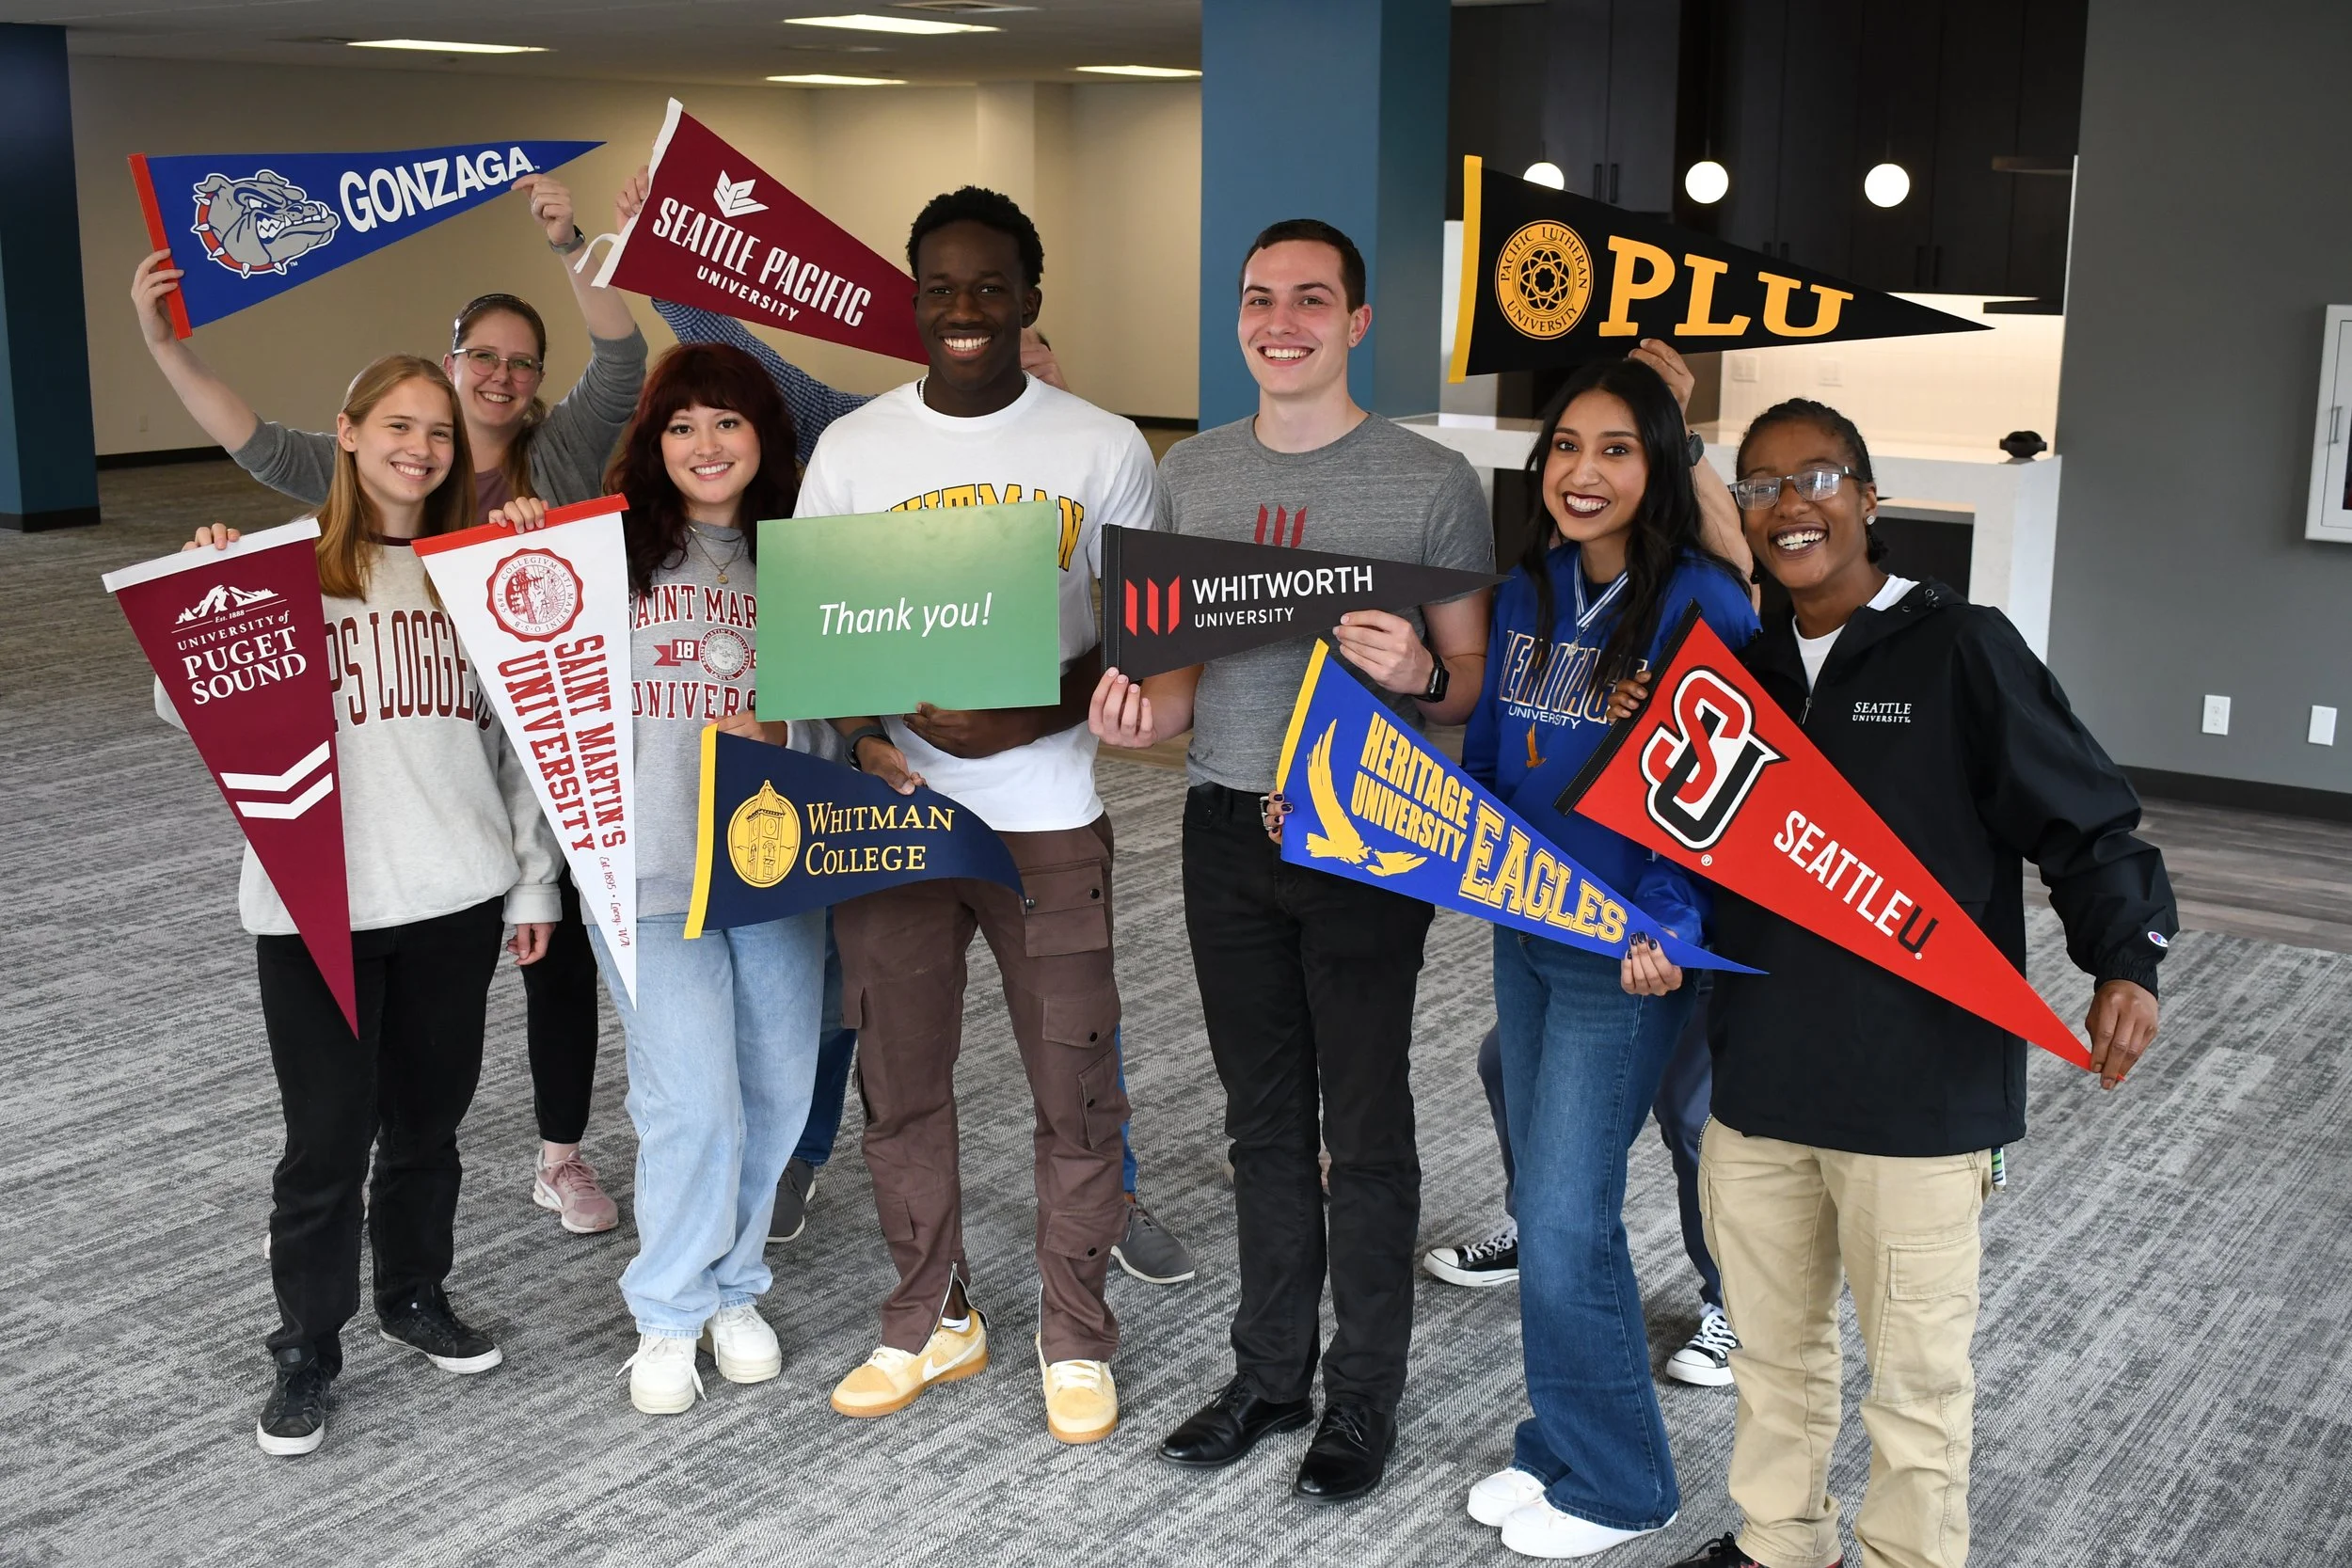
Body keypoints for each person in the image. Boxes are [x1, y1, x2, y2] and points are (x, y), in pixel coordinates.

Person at [1662, 399, 2172, 1568]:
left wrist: (2125, 956)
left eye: (1818, 476)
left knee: (1915, 1375)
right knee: (1773, 1353)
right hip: (1761, 1077)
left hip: (1919, 1089)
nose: (1791, 504)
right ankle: (1782, 1539)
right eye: (1761, 485)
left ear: (1870, 498)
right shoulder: (1736, 672)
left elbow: (2088, 822)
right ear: (1739, 513)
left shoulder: (1961, 645)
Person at [642, 287, 1196, 1286]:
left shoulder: (1087, 453)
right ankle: (806, 1165)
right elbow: (762, 378)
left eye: (1035, 359)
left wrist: (1071, 706)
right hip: (871, 802)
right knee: (852, 1007)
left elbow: (1144, 623)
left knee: (1072, 1025)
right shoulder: (872, 435)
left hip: (1042, 804)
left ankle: (1111, 1193)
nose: (1008, 375)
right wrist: (671, 276)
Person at [131, 172, 647, 1236]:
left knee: (560, 954)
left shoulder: (554, 452)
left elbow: (626, 360)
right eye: (481, 356)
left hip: (545, 729)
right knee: (394, 1054)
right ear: (450, 365)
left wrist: (570, 245)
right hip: (430, 749)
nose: (500, 374)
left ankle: (562, 1153)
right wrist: (168, 348)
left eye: (521, 361)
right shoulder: (378, 466)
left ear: (534, 379)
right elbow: (254, 442)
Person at [1089, 218, 1492, 1502]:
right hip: (1224, 828)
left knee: (1364, 1128)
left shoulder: (1428, 480)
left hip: (1371, 834)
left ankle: (1362, 1395)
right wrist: (1132, 717)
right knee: (1262, 1125)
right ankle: (1270, 1374)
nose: (1283, 321)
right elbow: (1178, 689)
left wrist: (1418, 671)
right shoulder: (1191, 473)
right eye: (1261, 299)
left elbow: (1472, 690)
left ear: (1357, 322)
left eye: (1312, 300)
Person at [797, 186, 1159, 1446]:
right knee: (901, 1087)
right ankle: (927, 1315)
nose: (964, 308)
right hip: (895, 828)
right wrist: (864, 737)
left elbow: (1143, 637)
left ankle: (1075, 1327)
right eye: (940, 286)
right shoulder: (852, 451)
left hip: (1048, 816)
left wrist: (1035, 715)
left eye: (990, 286)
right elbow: (815, 643)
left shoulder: (1105, 444)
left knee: (1076, 1091)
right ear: (913, 300)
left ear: (1029, 302)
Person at [168, 356, 561, 1457]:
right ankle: (305, 1346)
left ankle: (415, 1293)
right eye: (397, 425)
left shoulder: (475, 572)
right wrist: (202, 595)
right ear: (344, 432)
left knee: (428, 1128)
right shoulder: (282, 566)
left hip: (454, 894)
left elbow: (521, 743)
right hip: (312, 908)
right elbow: (184, 704)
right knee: (326, 1140)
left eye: (440, 431)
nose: (421, 448)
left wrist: (531, 878)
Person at [1447, 356, 1758, 1559]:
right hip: (1521, 931)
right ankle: (1559, 1444)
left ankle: (1625, 1483)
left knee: (1569, 1223)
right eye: (1565, 446)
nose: (1584, 472)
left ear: (1662, 463)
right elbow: (1483, 755)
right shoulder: (1526, 586)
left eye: (1617, 449)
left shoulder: (1701, 602)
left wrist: (1670, 919)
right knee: (1549, 1206)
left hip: (1622, 955)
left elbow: (1726, 793)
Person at [496, 342, 829, 1415]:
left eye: (726, 421)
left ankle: (736, 1285)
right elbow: (541, 714)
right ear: (654, 441)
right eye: (682, 423)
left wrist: (786, 724)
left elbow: (853, 714)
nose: (704, 444)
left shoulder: (806, 562)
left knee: (776, 1086)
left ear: (763, 438)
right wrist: (514, 553)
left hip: (775, 865)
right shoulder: (603, 554)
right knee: (689, 1096)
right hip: (641, 868)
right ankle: (670, 1309)